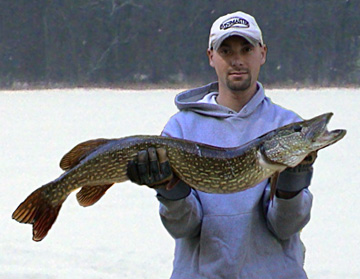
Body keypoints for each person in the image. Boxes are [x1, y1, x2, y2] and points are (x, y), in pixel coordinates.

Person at [127, 11, 315, 279]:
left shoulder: (286, 126)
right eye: (226, 51)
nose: (237, 60)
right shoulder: (181, 129)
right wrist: (171, 192)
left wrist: (290, 188)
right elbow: (184, 228)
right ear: (211, 57)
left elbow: (285, 227)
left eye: (246, 49)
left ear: (262, 53)